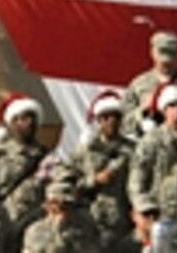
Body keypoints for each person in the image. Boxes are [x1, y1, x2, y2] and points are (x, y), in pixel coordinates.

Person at [128, 84, 177, 247]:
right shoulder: (151, 141)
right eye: (172, 105)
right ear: (164, 110)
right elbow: (136, 180)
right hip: (158, 217)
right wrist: (144, 209)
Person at [71, 91, 136, 251]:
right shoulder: (85, 150)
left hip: (123, 222)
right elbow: (69, 184)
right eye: (106, 117)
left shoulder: (132, 150)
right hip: (92, 220)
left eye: (116, 117)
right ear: (98, 120)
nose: (111, 122)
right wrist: (94, 180)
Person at [121, 31, 177, 137]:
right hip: (148, 146)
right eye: (162, 57)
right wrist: (142, 110)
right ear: (152, 52)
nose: (166, 63)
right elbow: (123, 124)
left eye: (171, 57)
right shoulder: (138, 85)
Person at [0, 93, 49, 243]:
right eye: (24, 118)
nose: (30, 122)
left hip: (37, 225)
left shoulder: (45, 155)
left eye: (33, 117)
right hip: (6, 223)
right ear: (12, 122)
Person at [22, 181, 101, 253]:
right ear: (47, 205)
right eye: (60, 206)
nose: (65, 211)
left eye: (69, 205)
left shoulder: (84, 229)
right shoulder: (36, 231)